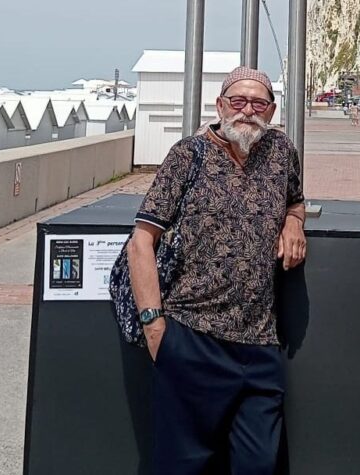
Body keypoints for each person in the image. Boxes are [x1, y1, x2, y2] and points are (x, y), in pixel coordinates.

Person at [127, 66, 307, 474]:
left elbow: (295, 199)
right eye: (238, 101)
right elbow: (141, 241)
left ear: (272, 110)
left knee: (259, 464)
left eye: (258, 103)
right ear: (220, 105)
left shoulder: (281, 151)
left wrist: (293, 222)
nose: (247, 111)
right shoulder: (187, 155)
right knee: (184, 466)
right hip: (192, 337)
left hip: (260, 342)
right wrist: (154, 326)